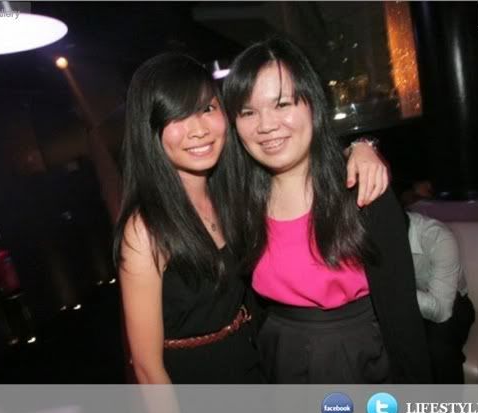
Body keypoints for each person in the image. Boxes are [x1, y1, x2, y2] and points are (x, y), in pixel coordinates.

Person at [113, 53, 388, 384]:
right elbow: (147, 368)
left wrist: (360, 147)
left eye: (207, 109)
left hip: (257, 365)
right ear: (150, 130)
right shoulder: (145, 228)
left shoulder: (233, 194)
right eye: (177, 116)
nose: (198, 130)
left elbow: (298, 153)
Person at [223, 37, 433, 383]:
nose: (266, 125)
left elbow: (402, 311)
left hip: (360, 358)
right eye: (248, 112)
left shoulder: (362, 189)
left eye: (282, 104)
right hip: (279, 354)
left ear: (313, 105)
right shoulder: (241, 201)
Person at [405, 211, 475, 383]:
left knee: (437, 350)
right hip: (411, 303)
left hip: (454, 302)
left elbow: (442, 311)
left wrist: (396, 291)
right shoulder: (371, 239)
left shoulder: (438, 237)